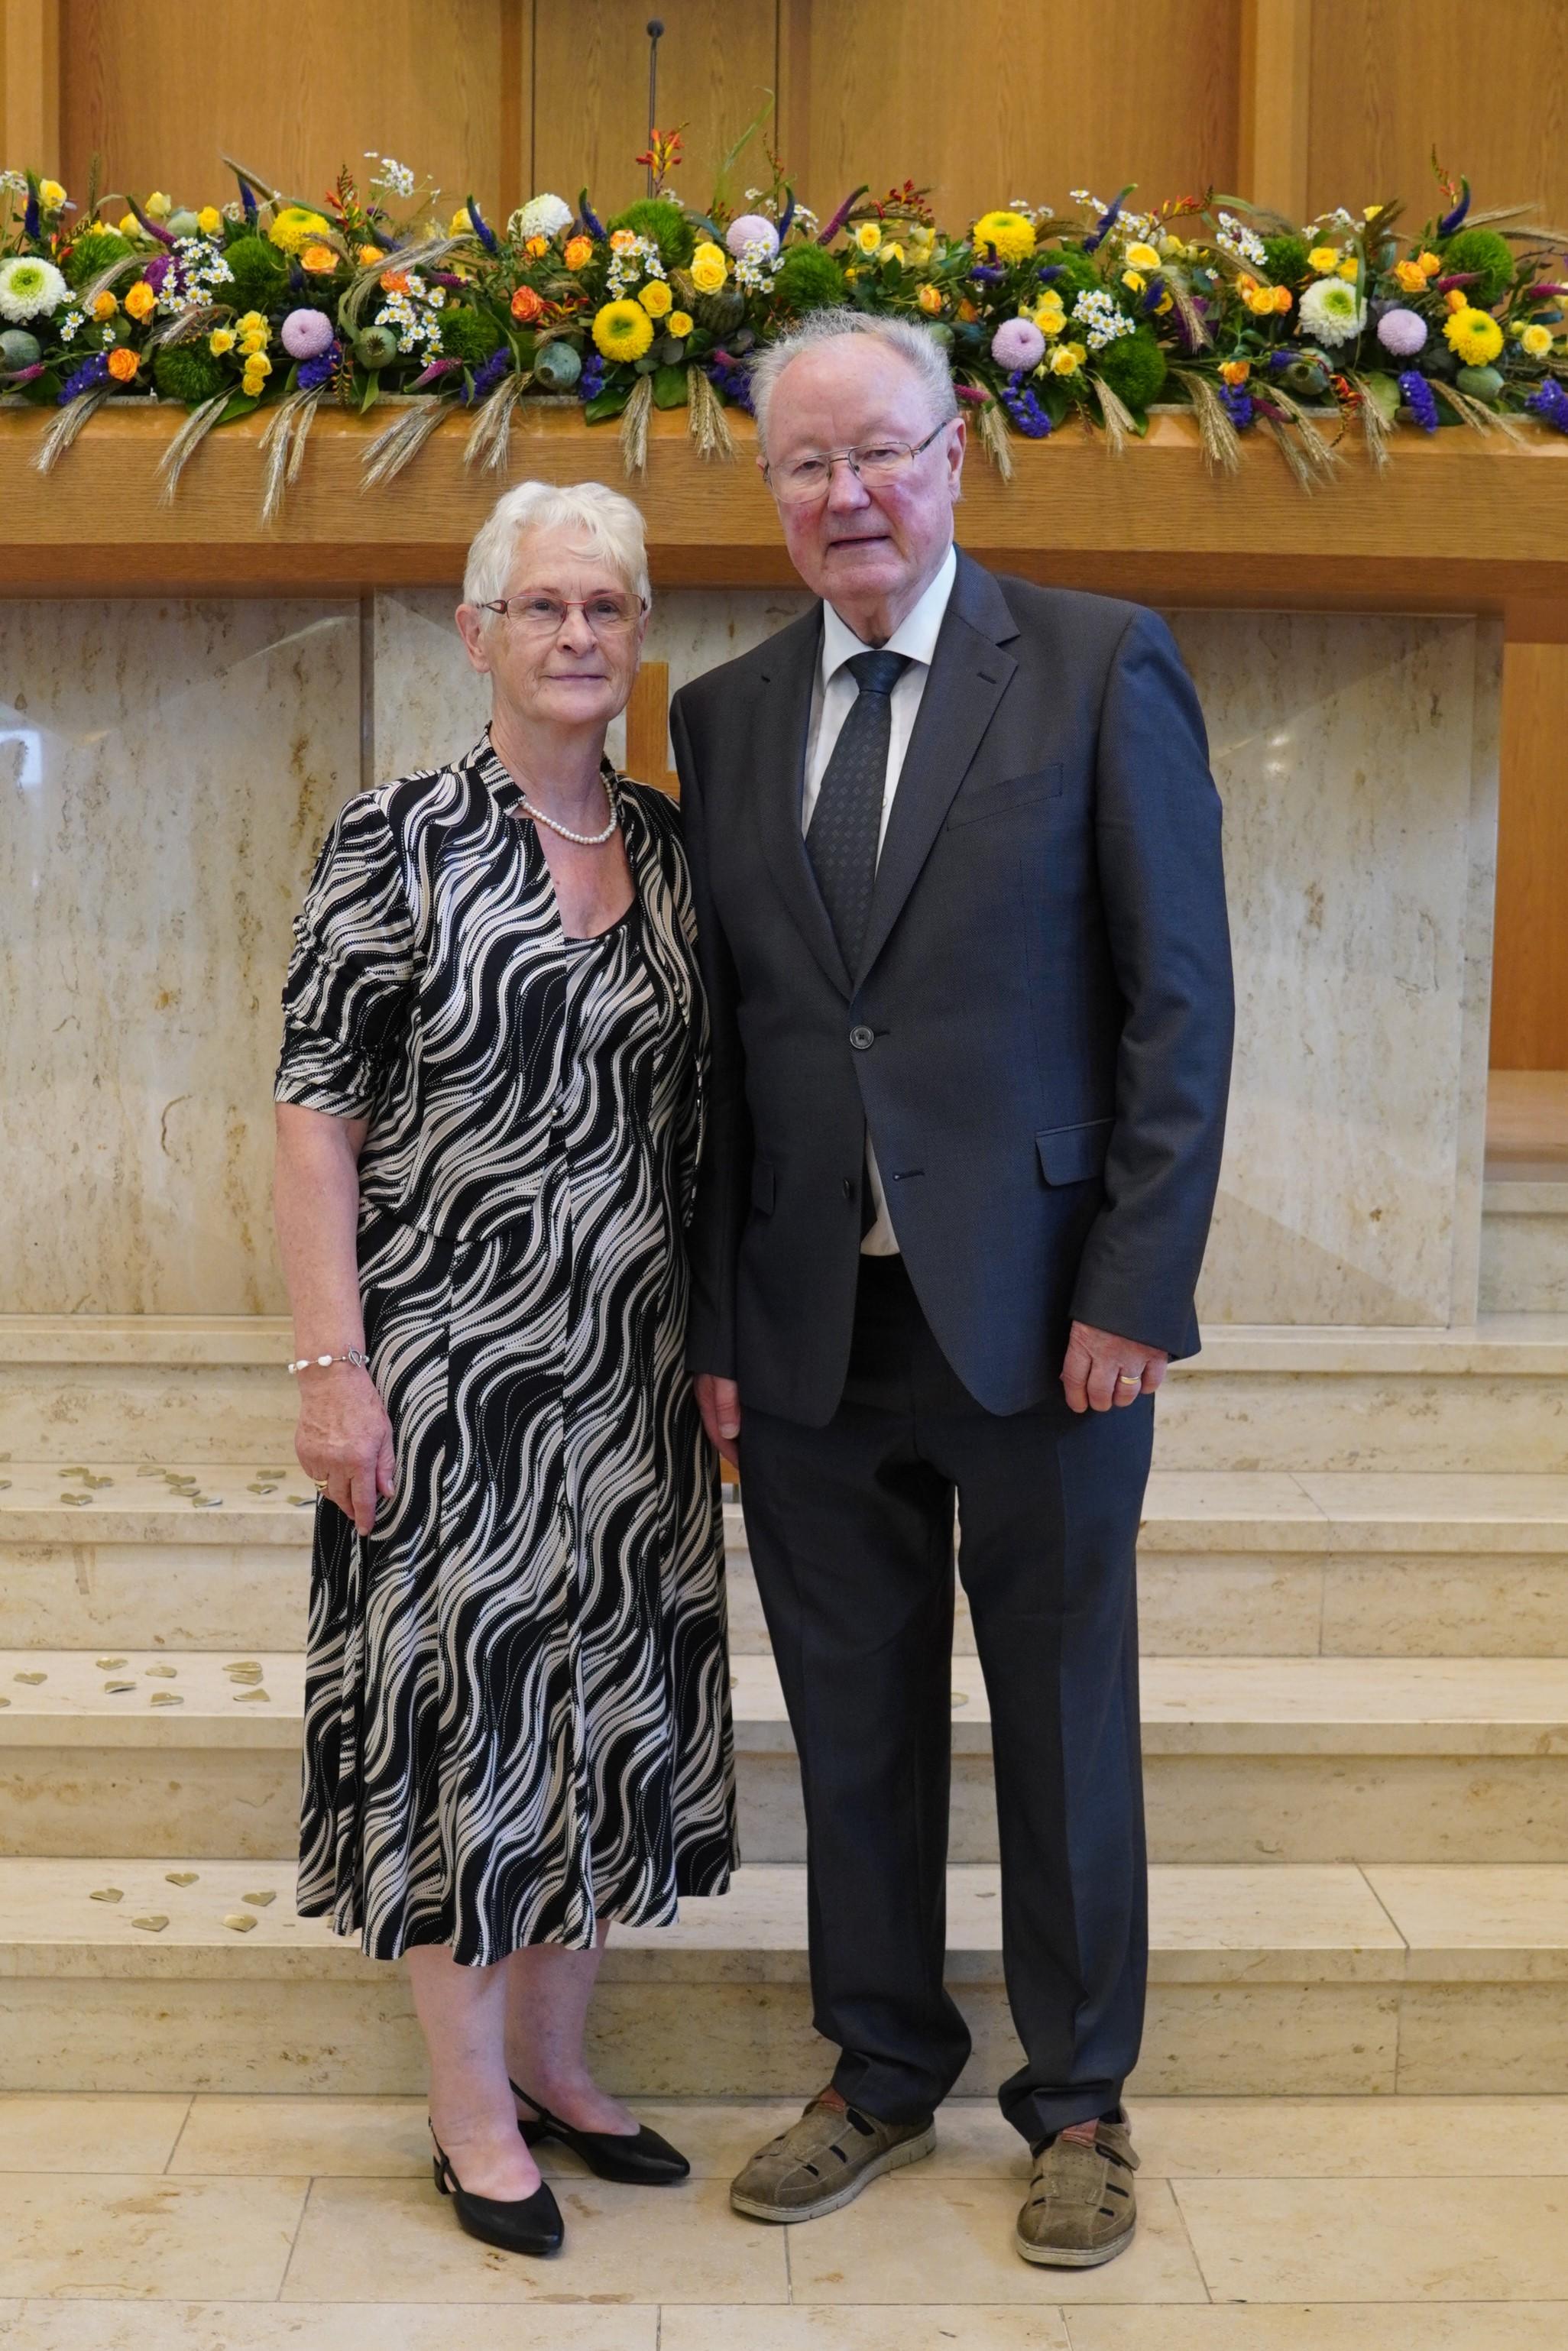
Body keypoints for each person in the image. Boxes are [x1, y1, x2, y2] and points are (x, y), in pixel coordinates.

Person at [672, 311, 1233, 2267]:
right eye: (806, 464)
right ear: (770, 493)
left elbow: (1178, 1005)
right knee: (854, 1724)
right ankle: (881, 2068)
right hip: (813, 1332)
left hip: (1048, 1319)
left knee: (1065, 1718)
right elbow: (733, 1051)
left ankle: (1079, 2104)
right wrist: (723, 1334)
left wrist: (1135, 1289)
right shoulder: (725, 716)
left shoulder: (1093, 661)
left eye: (879, 453)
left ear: (955, 455)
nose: (849, 494)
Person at [273, 478, 735, 2260]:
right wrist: (333, 1366)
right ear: (477, 635)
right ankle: (468, 2112)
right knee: (467, 1726)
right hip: (449, 1378)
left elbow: (712, 1123)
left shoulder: (675, 849)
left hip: (629, 1378)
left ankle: (554, 2062)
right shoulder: (394, 839)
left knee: (601, 1722)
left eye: (606, 607)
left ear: (639, 638)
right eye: (542, 605)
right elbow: (316, 1115)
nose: (576, 635)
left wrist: (719, 1348)